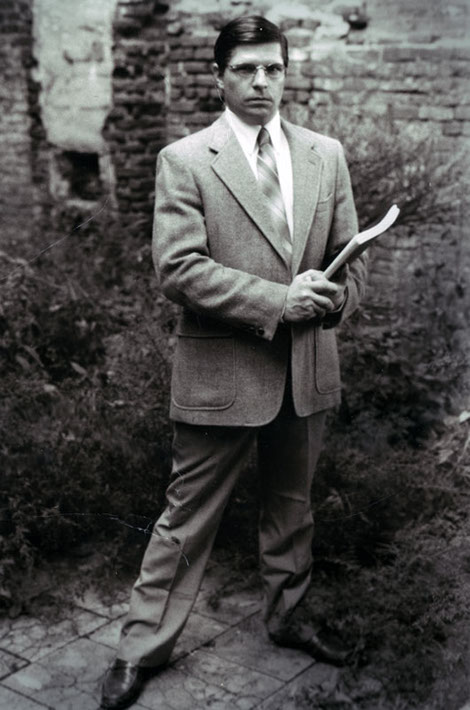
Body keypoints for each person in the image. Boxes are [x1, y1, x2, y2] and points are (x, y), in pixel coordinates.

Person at [101, 14, 368, 710]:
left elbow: (352, 259)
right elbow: (179, 268)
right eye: (246, 69)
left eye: (273, 68)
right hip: (222, 373)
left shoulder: (325, 155)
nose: (261, 82)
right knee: (186, 516)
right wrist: (281, 300)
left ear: (286, 73)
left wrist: (335, 300)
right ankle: (139, 648)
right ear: (218, 76)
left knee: (292, 508)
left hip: (306, 367)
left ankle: (289, 616)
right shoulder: (187, 159)